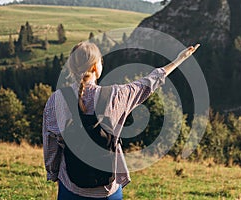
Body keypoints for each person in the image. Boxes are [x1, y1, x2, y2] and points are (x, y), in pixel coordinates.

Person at [42, 41, 200, 200]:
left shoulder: (56, 100)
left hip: (70, 185)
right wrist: (179, 60)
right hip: (107, 189)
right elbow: (148, 83)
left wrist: (53, 173)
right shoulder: (116, 96)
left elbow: (51, 144)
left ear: (71, 67)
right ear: (96, 67)